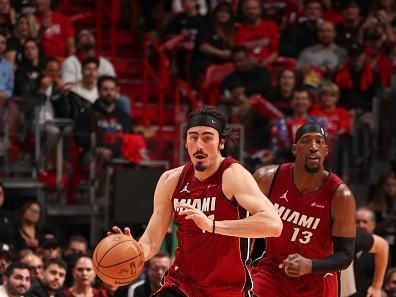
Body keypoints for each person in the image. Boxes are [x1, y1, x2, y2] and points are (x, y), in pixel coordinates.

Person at [109, 106, 283, 296]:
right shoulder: (171, 180)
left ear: (221, 143)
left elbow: (273, 225)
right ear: (186, 143)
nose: (199, 145)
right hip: (183, 284)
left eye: (208, 138)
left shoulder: (233, 175)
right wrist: (132, 251)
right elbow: (151, 241)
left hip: (228, 289)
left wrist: (212, 225)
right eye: (193, 137)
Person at [252, 122, 356, 297]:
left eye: (319, 142)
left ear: (326, 150)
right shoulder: (267, 179)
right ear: (294, 149)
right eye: (306, 141)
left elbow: (345, 255)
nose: (313, 147)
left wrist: (311, 265)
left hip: (318, 278)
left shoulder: (340, 195)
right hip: (274, 272)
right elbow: (246, 224)